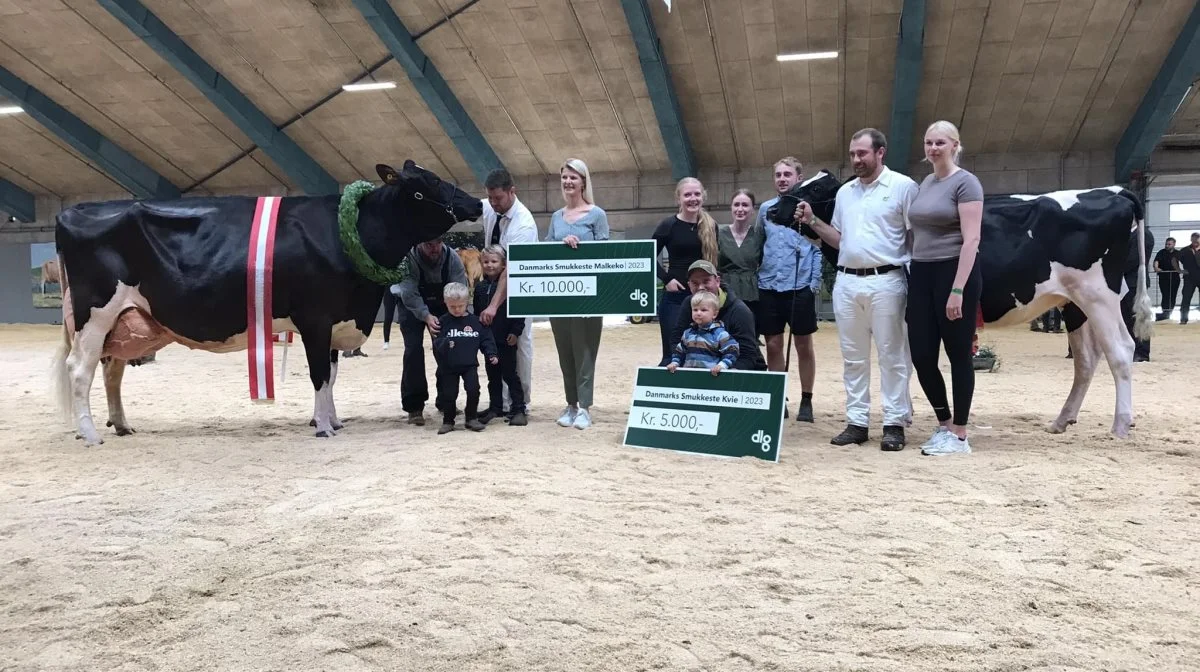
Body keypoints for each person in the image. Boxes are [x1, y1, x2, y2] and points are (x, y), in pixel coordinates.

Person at [800, 128, 918, 451]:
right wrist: (812, 221)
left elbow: (916, 235)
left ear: (880, 153)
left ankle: (894, 422)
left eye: (862, 153)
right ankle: (857, 422)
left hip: (887, 280)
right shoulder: (845, 193)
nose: (856, 160)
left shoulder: (903, 187)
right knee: (853, 357)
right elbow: (839, 239)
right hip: (847, 281)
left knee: (892, 355)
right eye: (853, 154)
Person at [905, 120, 983, 456]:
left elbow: (972, 238)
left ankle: (961, 434)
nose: (933, 148)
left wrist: (958, 290)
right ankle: (944, 423)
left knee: (958, 354)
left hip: (953, 270)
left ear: (955, 145)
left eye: (940, 142)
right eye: (928, 142)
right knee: (922, 354)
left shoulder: (966, 183)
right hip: (921, 271)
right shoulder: (926, 181)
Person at [756, 157, 822, 422]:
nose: (782, 179)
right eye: (778, 175)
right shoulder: (765, 209)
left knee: (803, 344)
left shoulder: (808, 210)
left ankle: (806, 399)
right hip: (769, 285)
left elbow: (818, 247)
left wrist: (813, 283)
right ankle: (778, 396)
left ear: (798, 177)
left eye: (787, 174)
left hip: (800, 286)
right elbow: (759, 244)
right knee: (773, 344)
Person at [545, 158, 609, 430]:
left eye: (574, 177)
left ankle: (585, 406)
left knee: (585, 350)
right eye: (564, 178)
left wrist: (582, 246)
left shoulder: (597, 214)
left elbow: (605, 253)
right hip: (560, 296)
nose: (568, 182)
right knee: (565, 351)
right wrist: (560, 244)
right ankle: (570, 404)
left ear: (583, 181)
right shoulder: (556, 217)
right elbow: (545, 250)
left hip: (588, 295)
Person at [478, 168, 538, 414]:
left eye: (498, 199)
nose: (493, 204)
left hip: (521, 291)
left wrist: (493, 305)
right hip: (494, 286)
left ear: (512, 192)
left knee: (520, 343)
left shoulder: (524, 224)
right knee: (495, 344)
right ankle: (498, 403)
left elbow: (511, 270)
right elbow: (471, 205)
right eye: (490, 199)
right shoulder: (491, 206)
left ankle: (520, 402)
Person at [393, 237, 469, 425]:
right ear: (418, 244)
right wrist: (426, 316)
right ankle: (414, 406)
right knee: (413, 351)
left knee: (448, 348)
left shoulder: (452, 258)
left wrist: (457, 315)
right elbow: (409, 294)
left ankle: (446, 400)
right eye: (429, 244)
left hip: (444, 304)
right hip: (410, 305)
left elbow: (459, 289)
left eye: (438, 243)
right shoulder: (408, 259)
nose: (434, 248)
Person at [653, 177, 719, 365]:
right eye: (687, 194)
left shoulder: (711, 225)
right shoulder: (668, 225)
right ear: (678, 198)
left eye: (697, 194)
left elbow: (715, 263)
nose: (693, 198)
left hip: (704, 299)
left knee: (702, 353)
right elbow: (646, 256)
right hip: (676, 298)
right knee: (673, 355)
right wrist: (666, 279)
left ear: (703, 197)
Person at [668, 260, 767, 372]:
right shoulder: (688, 303)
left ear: (717, 281)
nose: (701, 287)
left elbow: (747, 354)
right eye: (695, 283)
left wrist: (724, 374)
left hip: (737, 370)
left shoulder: (740, 311)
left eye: (706, 281)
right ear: (689, 285)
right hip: (696, 368)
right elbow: (677, 339)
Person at [432, 282, 498, 434]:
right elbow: (436, 342)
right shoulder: (442, 322)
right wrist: (446, 343)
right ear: (445, 303)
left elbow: (486, 339)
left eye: (460, 306)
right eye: (452, 307)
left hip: (470, 365)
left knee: (474, 390)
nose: (456, 310)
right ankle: (448, 421)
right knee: (449, 394)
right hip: (448, 367)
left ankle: (471, 418)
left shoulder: (476, 322)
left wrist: (491, 354)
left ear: (467, 302)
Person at [473, 245, 528, 426]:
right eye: (486, 262)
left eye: (494, 261)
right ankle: (495, 407)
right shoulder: (479, 287)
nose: (490, 265)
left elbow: (519, 311)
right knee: (492, 376)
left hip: (506, 338)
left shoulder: (510, 286)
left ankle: (519, 409)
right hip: (489, 341)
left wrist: (515, 331)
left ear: (503, 264)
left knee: (510, 374)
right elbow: (476, 313)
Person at [717, 189, 765, 323]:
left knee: (749, 335)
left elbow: (763, 262)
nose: (740, 209)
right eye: (736, 204)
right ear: (731, 208)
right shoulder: (718, 234)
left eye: (745, 205)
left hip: (751, 293)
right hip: (724, 293)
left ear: (752, 209)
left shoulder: (759, 235)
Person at [666, 291, 739, 375]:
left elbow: (733, 350)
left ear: (714, 314)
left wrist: (722, 365)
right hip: (689, 376)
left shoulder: (720, 334)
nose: (698, 313)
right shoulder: (687, 333)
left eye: (703, 310)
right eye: (695, 310)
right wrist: (675, 363)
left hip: (712, 378)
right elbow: (679, 351)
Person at [1122, 225, 1154, 361]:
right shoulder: (1126, 233)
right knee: (1126, 318)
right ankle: (1130, 349)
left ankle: (1142, 352)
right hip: (1125, 282)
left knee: (1139, 317)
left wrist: (1113, 267)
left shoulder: (1143, 234)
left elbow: (1134, 259)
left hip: (1136, 282)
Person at [1153, 237, 1180, 321]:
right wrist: (1156, 268)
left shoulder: (1178, 253)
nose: (1167, 246)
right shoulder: (1161, 252)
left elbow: (1186, 261)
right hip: (1164, 277)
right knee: (1165, 295)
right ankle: (1165, 311)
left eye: (1169, 244)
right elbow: (1156, 261)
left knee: (1173, 295)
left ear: (1174, 244)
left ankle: (1169, 311)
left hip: (1174, 277)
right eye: (1166, 244)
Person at [1178, 232, 1199, 325]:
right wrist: (1179, 270)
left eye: (1197, 238)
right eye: (1193, 238)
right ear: (1191, 239)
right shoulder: (1185, 250)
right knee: (1186, 298)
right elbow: (1174, 259)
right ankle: (1183, 319)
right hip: (1189, 278)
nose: (1195, 239)